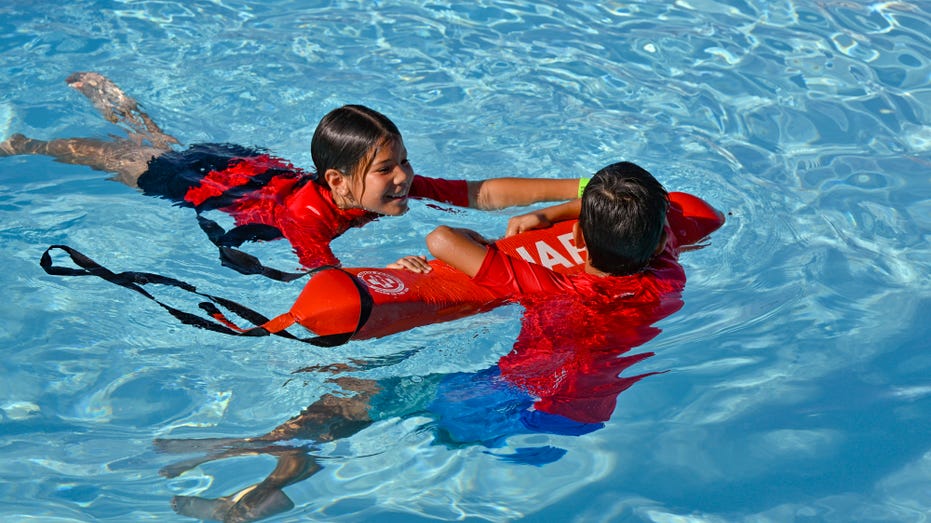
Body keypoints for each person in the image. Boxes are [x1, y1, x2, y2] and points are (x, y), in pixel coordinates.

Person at [151, 163, 724, 522]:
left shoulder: (548, 286)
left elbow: (441, 239)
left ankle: (264, 486)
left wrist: (506, 232)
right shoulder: (664, 273)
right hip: (583, 410)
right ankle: (271, 468)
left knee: (349, 397)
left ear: (578, 238)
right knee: (364, 401)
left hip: (515, 401)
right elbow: (689, 213)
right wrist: (557, 212)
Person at [0, 72, 582, 274]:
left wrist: (580, 187)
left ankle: (119, 107)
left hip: (246, 167)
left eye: (403, 161)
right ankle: (26, 142)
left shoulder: (377, 187)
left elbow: (480, 193)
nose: (404, 175)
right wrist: (386, 268)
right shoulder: (310, 216)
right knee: (128, 159)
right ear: (339, 183)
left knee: (156, 142)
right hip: (204, 185)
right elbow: (324, 274)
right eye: (388, 168)